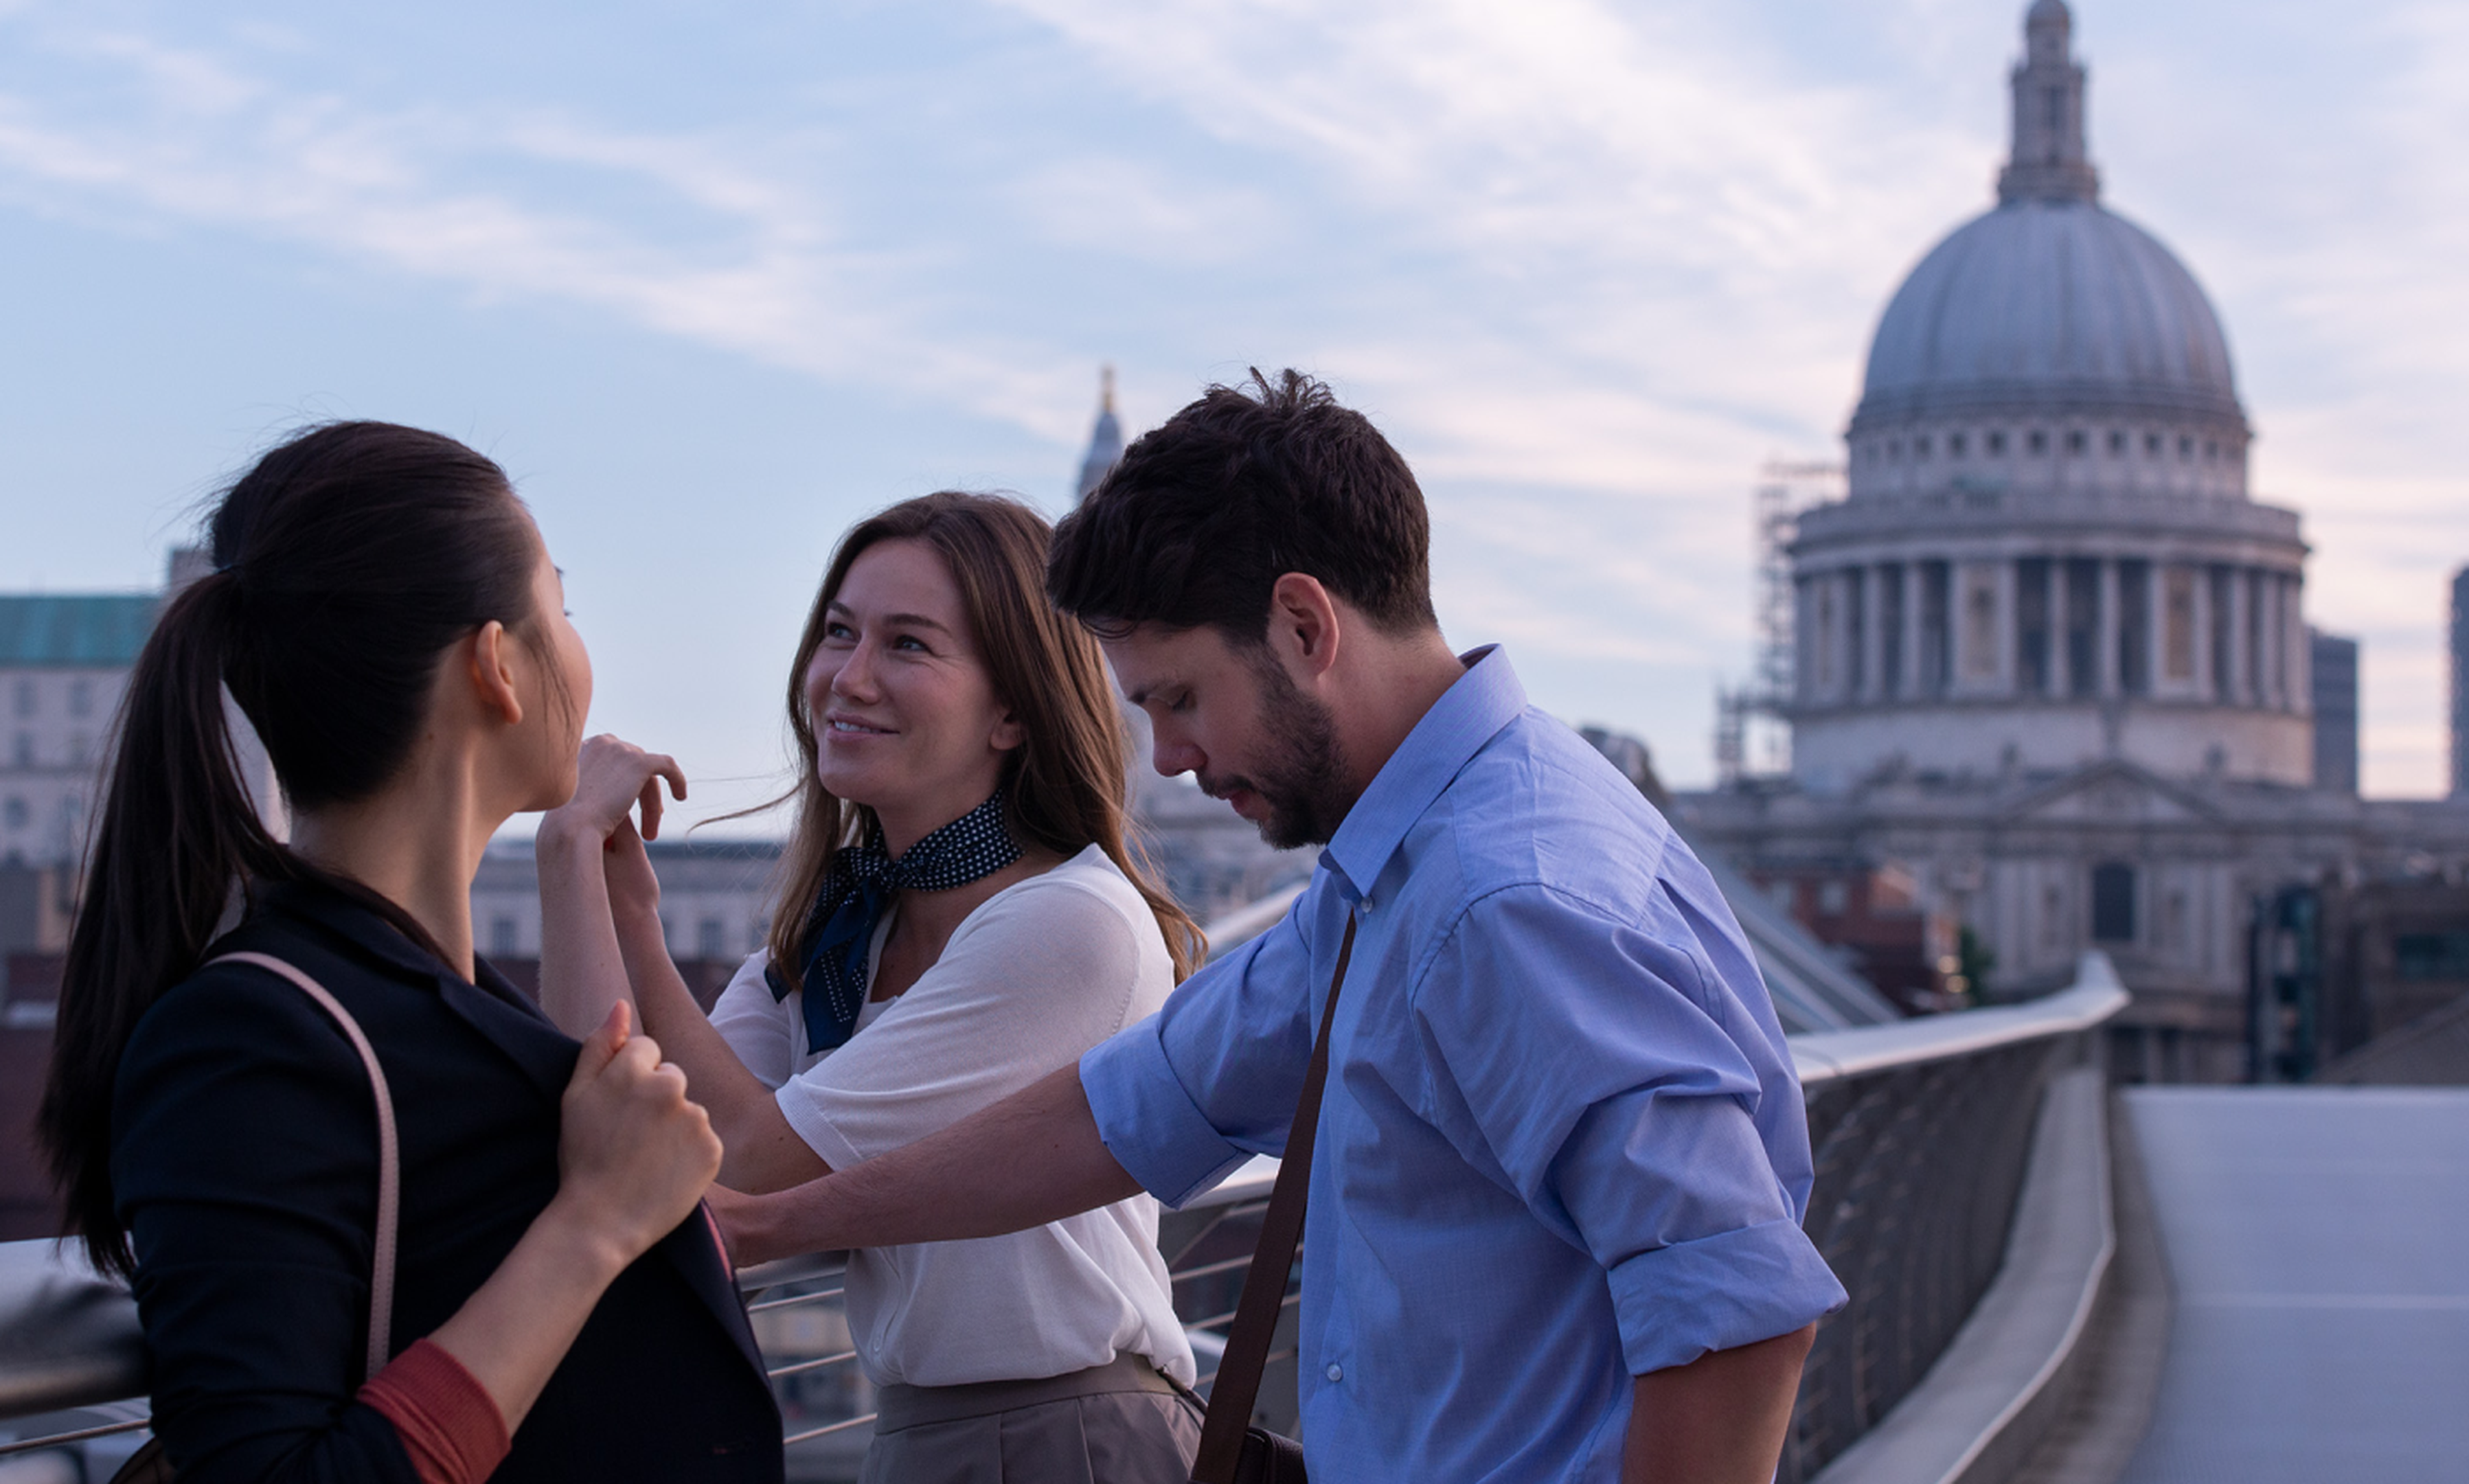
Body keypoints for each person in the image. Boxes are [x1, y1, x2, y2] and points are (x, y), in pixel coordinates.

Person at [712, 371, 1850, 1482]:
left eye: (1180, 698)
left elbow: (1735, 1314)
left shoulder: (1504, 903)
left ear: (1305, 626)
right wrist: (772, 1223)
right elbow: (1126, 1109)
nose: (1168, 756)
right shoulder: (1404, 865)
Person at [36, 422, 783, 1484]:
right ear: (495, 666)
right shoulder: (253, 1035)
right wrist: (591, 1229)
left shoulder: (406, 1005)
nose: (577, 644)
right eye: (559, 608)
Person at [532, 491, 1206, 1483]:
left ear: (1014, 710)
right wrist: (581, 870)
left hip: (1068, 1435)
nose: (848, 679)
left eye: (908, 645)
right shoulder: (846, 926)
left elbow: (759, 1167)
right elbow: (635, 1127)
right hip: (926, 1435)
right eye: (838, 634)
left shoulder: (1070, 924)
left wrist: (628, 916)